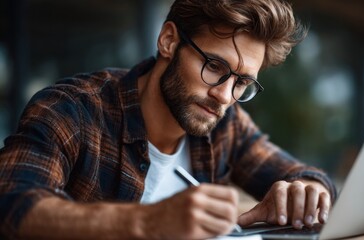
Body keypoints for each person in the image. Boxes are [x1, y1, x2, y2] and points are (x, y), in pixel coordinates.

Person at [0, 0, 337, 239]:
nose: (224, 95)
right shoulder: (72, 110)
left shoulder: (226, 122)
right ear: (169, 41)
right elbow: (12, 205)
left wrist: (310, 190)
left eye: (242, 82)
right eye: (215, 67)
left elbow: (300, 174)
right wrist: (150, 222)